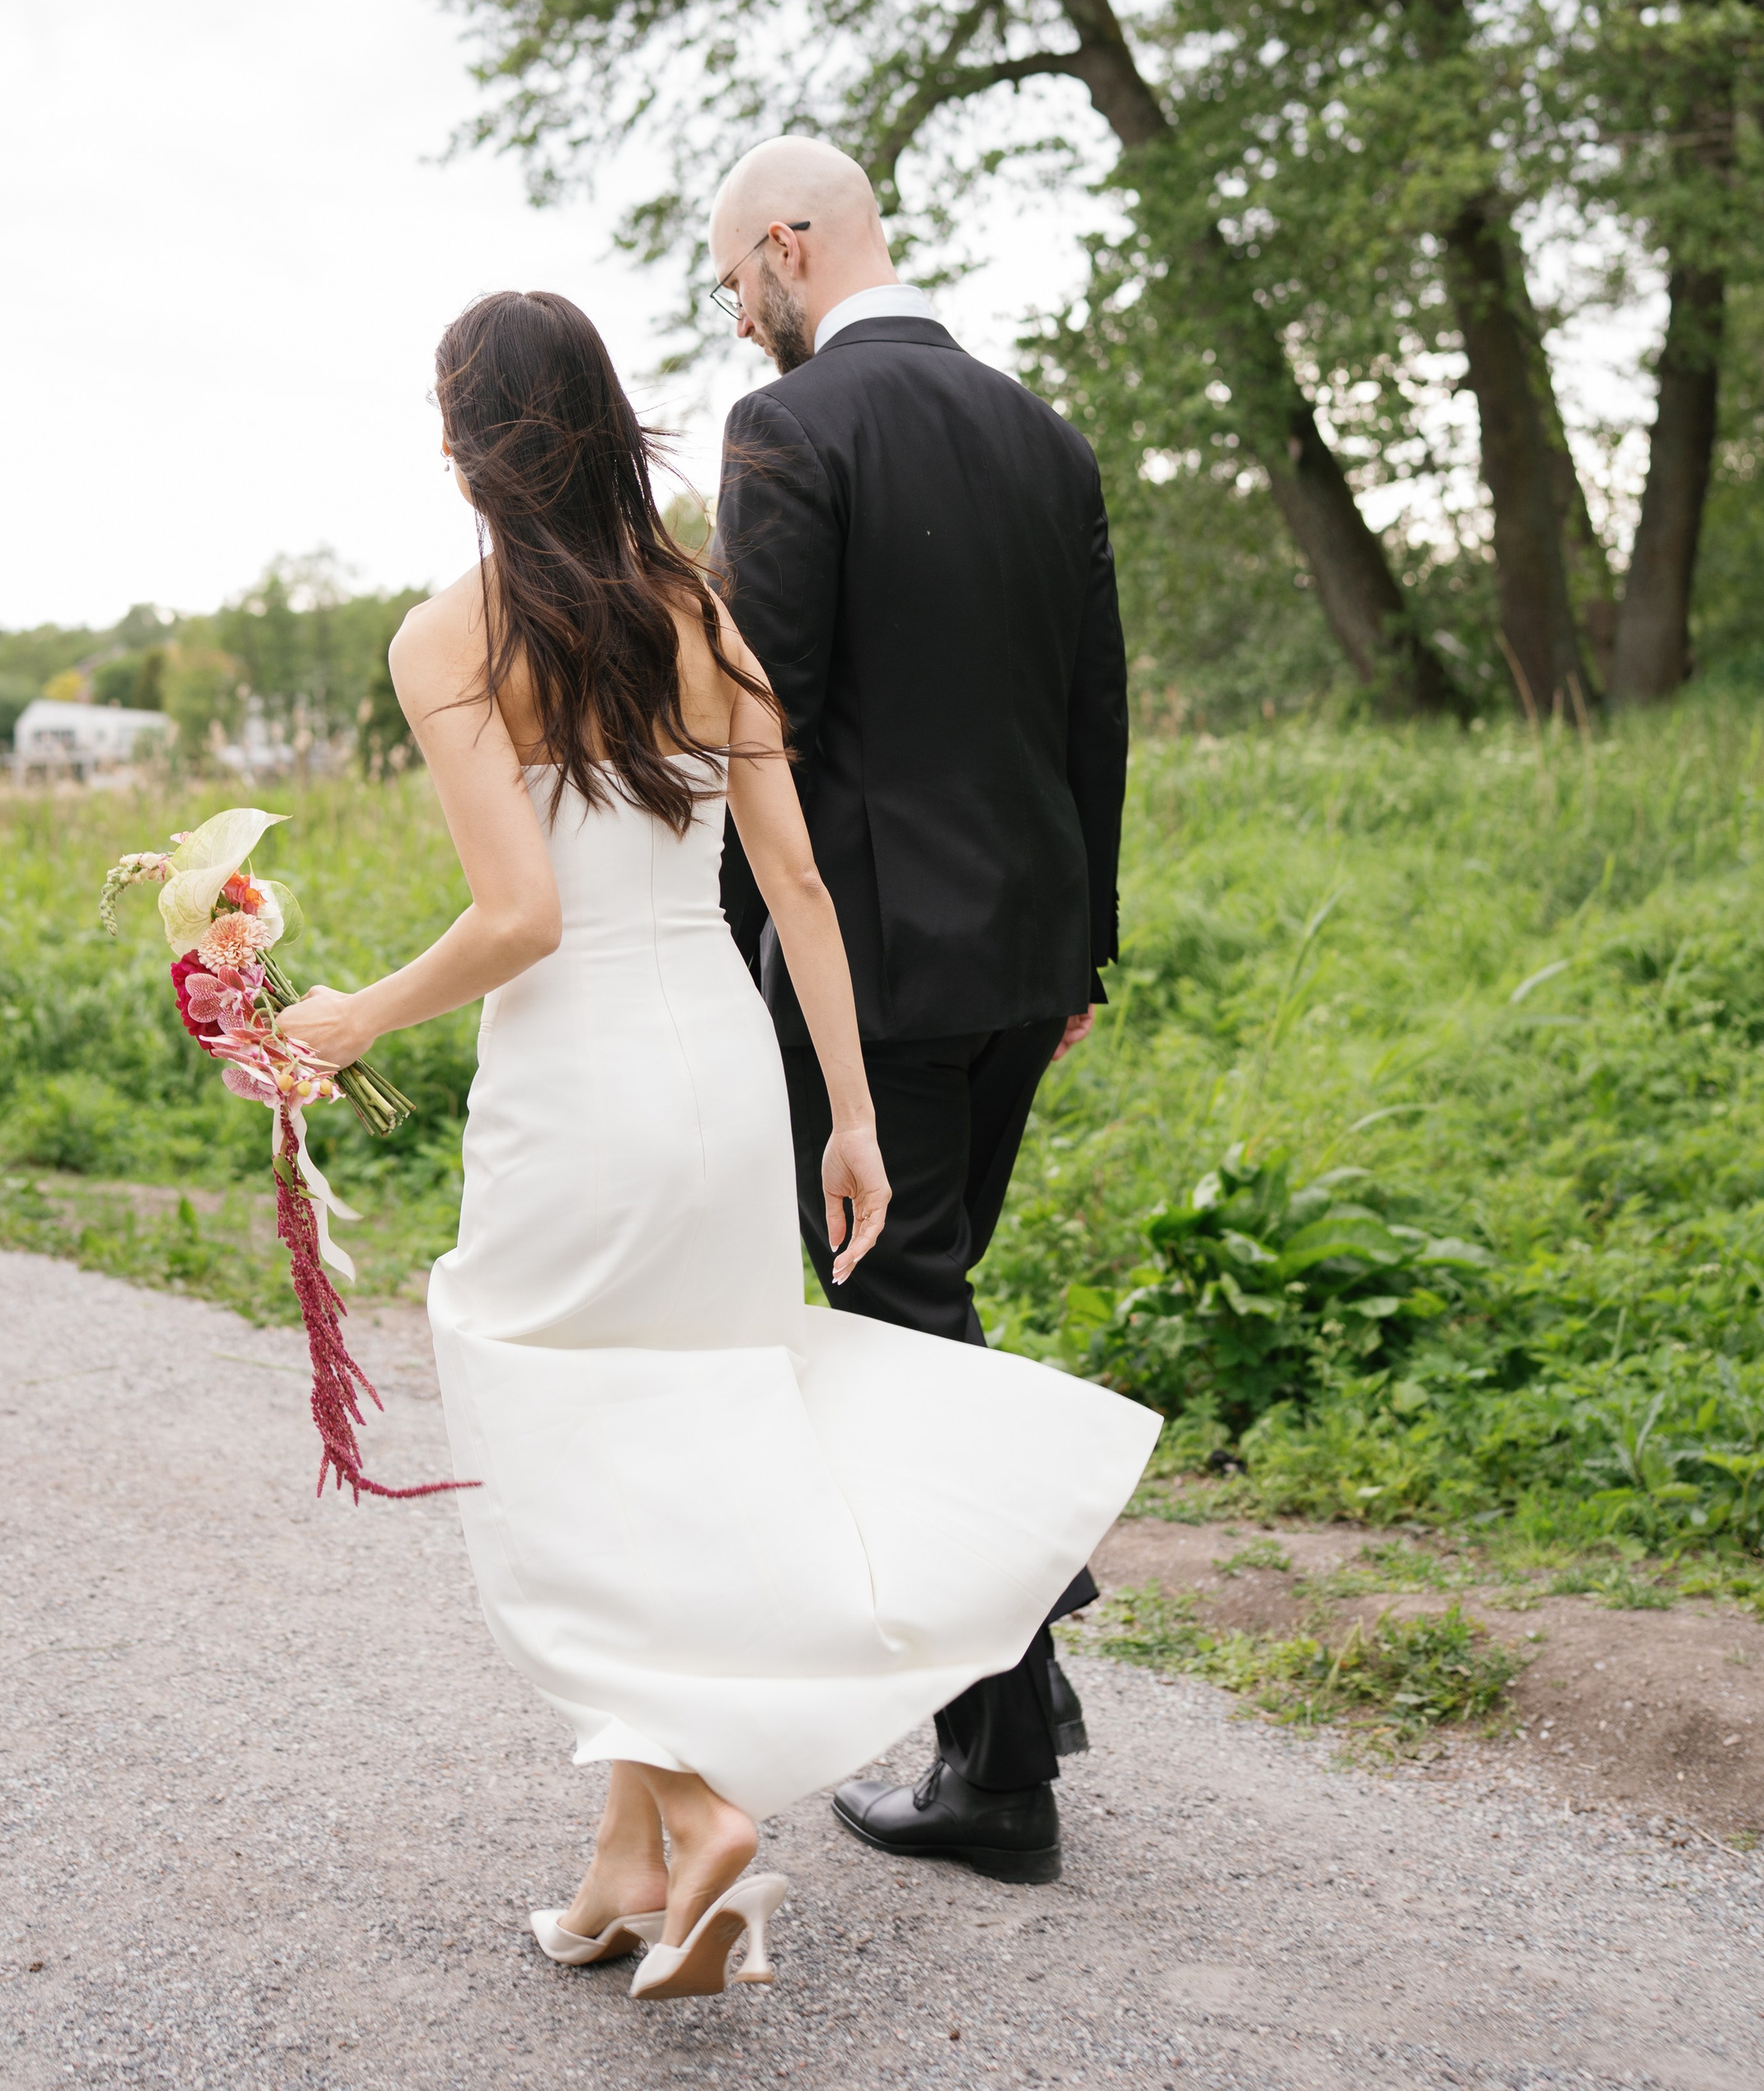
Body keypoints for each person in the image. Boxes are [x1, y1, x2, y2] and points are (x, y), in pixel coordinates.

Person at [277, 290, 1157, 2004]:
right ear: (611, 422)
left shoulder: (445, 636)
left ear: (463, 442)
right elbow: (806, 888)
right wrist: (843, 1114)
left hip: (577, 1091)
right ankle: (623, 1871)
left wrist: (353, 1014)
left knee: (553, 1449)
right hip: (724, 1084)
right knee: (673, 1439)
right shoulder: (704, 614)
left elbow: (519, 913)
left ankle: (696, 1807)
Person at [707, 137, 1131, 1886]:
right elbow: (1093, 713)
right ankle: (1016, 1692)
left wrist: (733, 961)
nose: (734, 314)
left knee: (898, 1335)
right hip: (1022, 966)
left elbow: (764, 736)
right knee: (923, 1311)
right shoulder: (1046, 433)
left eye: (733, 274)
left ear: (791, 246)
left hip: (866, 978)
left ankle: (1002, 1762)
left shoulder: (788, 437)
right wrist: (1080, 947)